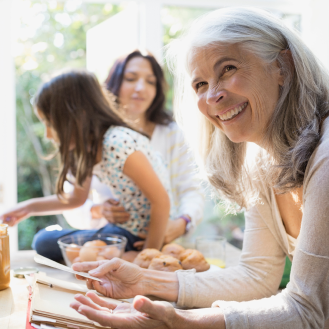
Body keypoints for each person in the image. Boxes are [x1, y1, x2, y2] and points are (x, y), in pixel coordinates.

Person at [69, 7, 329, 328]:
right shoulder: (262, 160)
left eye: (228, 68)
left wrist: (181, 322)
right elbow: (257, 275)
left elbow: (310, 310)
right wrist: (146, 283)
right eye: (200, 84)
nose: (213, 95)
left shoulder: (325, 156)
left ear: (282, 66)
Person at [0, 70, 175, 258]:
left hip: (137, 236)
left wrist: (148, 255)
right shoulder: (89, 149)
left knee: (44, 241)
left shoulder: (117, 143)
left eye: (50, 123)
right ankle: (120, 256)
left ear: (77, 116)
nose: (48, 135)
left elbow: (161, 201)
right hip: (120, 231)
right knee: (44, 241)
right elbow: (76, 198)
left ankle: (129, 256)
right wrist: (26, 208)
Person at [63, 50, 204, 249]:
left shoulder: (172, 133)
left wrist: (182, 223)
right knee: (47, 241)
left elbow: (191, 189)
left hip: (164, 243)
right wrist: (99, 210)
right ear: (113, 83)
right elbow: (72, 200)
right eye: (130, 78)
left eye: (150, 81)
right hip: (112, 240)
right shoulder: (96, 136)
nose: (141, 88)